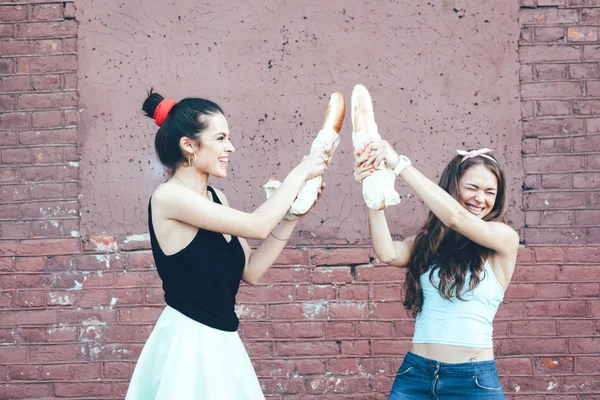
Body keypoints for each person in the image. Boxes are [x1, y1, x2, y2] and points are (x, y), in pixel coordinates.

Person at [125, 90, 329, 400]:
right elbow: (257, 226)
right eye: (220, 138)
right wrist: (302, 171)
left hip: (222, 343)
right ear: (189, 145)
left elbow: (251, 271)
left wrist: (291, 217)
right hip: (189, 346)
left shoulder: (217, 199)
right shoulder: (168, 198)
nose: (230, 147)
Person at [354, 144, 519, 399]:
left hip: (472, 382)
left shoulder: (503, 239)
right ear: (453, 188)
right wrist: (372, 188)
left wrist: (400, 165)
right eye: (472, 188)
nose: (480, 198)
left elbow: (456, 218)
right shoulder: (428, 242)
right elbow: (387, 253)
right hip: (415, 375)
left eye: (489, 192)